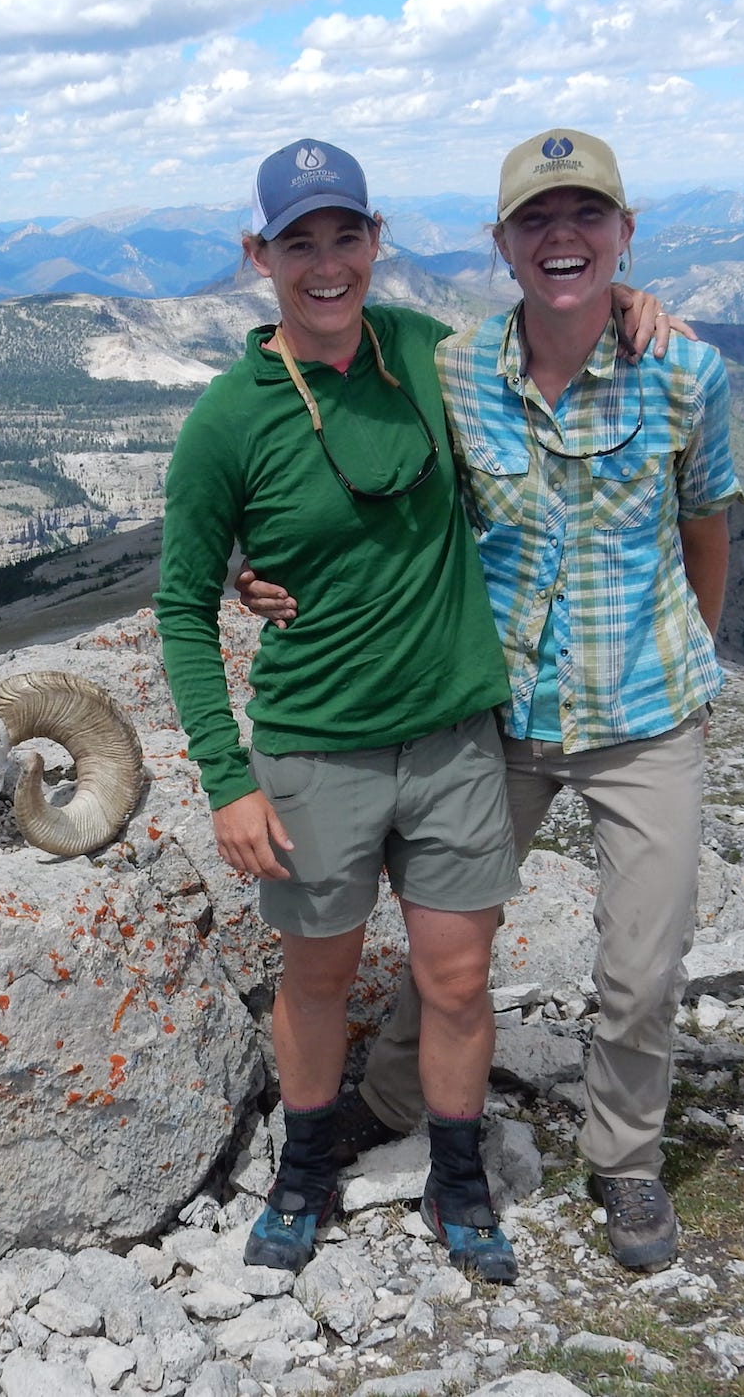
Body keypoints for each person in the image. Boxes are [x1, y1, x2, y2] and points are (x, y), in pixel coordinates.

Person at [154, 138, 675, 1283]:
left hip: (450, 737)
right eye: (301, 242)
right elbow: (181, 610)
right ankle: (303, 1170)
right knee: (318, 980)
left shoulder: (422, 356)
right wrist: (225, 777)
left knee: (454, 980)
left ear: (376, 242)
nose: (327, 264)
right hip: (311, 750)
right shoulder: (224, 423)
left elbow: (545, 338)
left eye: (346, 237)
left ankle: (456, 1179)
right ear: (260, 255)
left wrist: (625, 298)